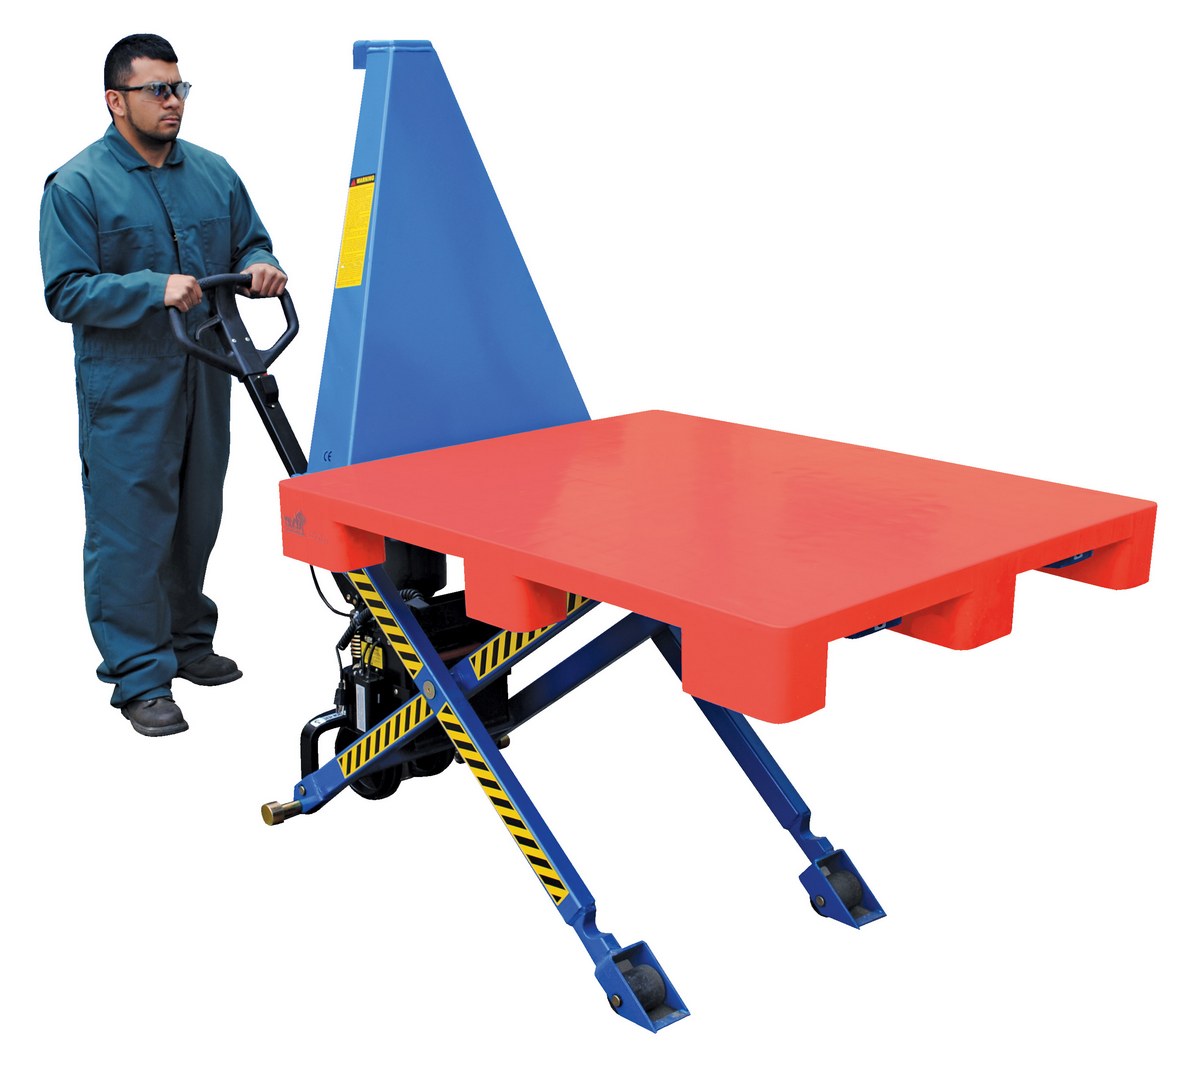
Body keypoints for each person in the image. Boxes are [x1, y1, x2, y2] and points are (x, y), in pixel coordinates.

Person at [40, 33, 287, 737]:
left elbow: (250, 239)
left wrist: (262, 263)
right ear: (116, 101)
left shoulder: (213, 172)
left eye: (179, 87)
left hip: (209, 369)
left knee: (196, 515)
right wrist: (154, 287)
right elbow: (66, 290)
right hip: (128, 388)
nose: (173, 101)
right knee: (130, 529)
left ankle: (186, 641)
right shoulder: (77, 185)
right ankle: (140, 676)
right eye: (157, 89)